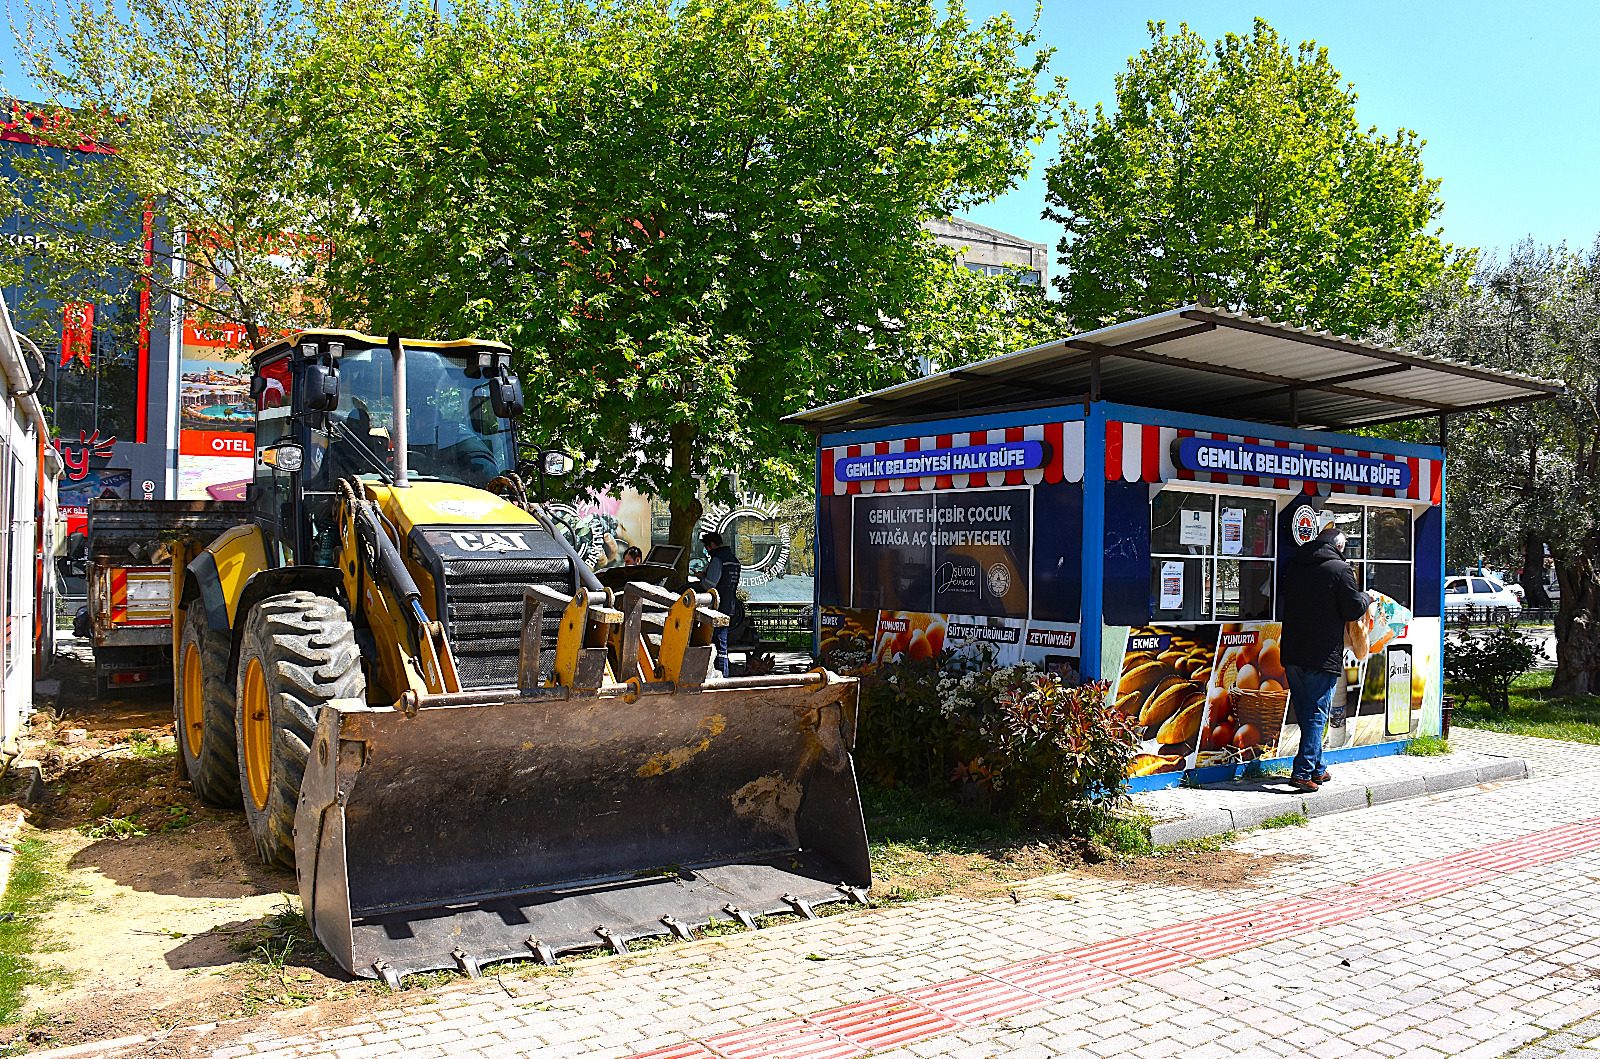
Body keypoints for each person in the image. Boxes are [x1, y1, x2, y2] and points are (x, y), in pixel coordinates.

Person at [1279, 524, 1371, 792]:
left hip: (1293, 650)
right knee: (1318, 713)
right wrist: (1367, 597)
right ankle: (1302, 771)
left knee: (1307, 712)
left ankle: (1317, 768)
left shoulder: (1295, 564)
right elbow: (1352, 608)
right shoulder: (1340, 570)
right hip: (1322, 652)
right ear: (1339, 547)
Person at [696, 531, 742, 677]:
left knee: (713, 643)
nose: (707, 551)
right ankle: (723, 676)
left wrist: (701, 576)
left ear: (712, 545)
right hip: (729, 607)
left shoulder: (718, 559)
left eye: (707, 548)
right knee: (722, 645)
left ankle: (720, 676)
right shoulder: (733, 560)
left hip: (716, 608)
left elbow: (710, 584)